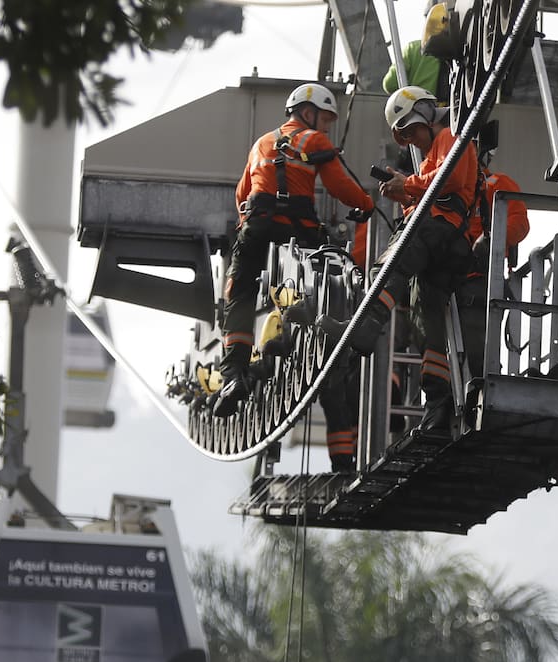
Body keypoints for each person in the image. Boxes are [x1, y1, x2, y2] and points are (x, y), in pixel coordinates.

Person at [212, 82, 375, 418]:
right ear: (307, 112)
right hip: (299, 227)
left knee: (239, 293)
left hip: (256, 224)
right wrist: (366, 204)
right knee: (327, 272)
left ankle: (233, 375)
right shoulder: (314, 141)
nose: (327, 124)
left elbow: (242, 194)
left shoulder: (260, 144)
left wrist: (251, 222)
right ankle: (311, 326)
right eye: (325, 118)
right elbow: (339, 185)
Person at [332, 85, 478, 433]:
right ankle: (438, 407)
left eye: (412, 130)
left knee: (391, 262)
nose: (412, 139)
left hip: (440, 230)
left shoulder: (450, 135)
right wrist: (404, 191)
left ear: (427, 113)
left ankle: (366, 326)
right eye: (406, 135)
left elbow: (450, 179)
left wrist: (407, 184)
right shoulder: (430, 154)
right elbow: (433, 186)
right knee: (428, 325)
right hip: (444, 241)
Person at [456, 146, 529, 382]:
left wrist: (490, 240)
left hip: (479, 283)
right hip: (449, 282)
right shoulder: (450, 189)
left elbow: (519, 224)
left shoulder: (498, 185)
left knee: (480, 360)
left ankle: (481, 394)